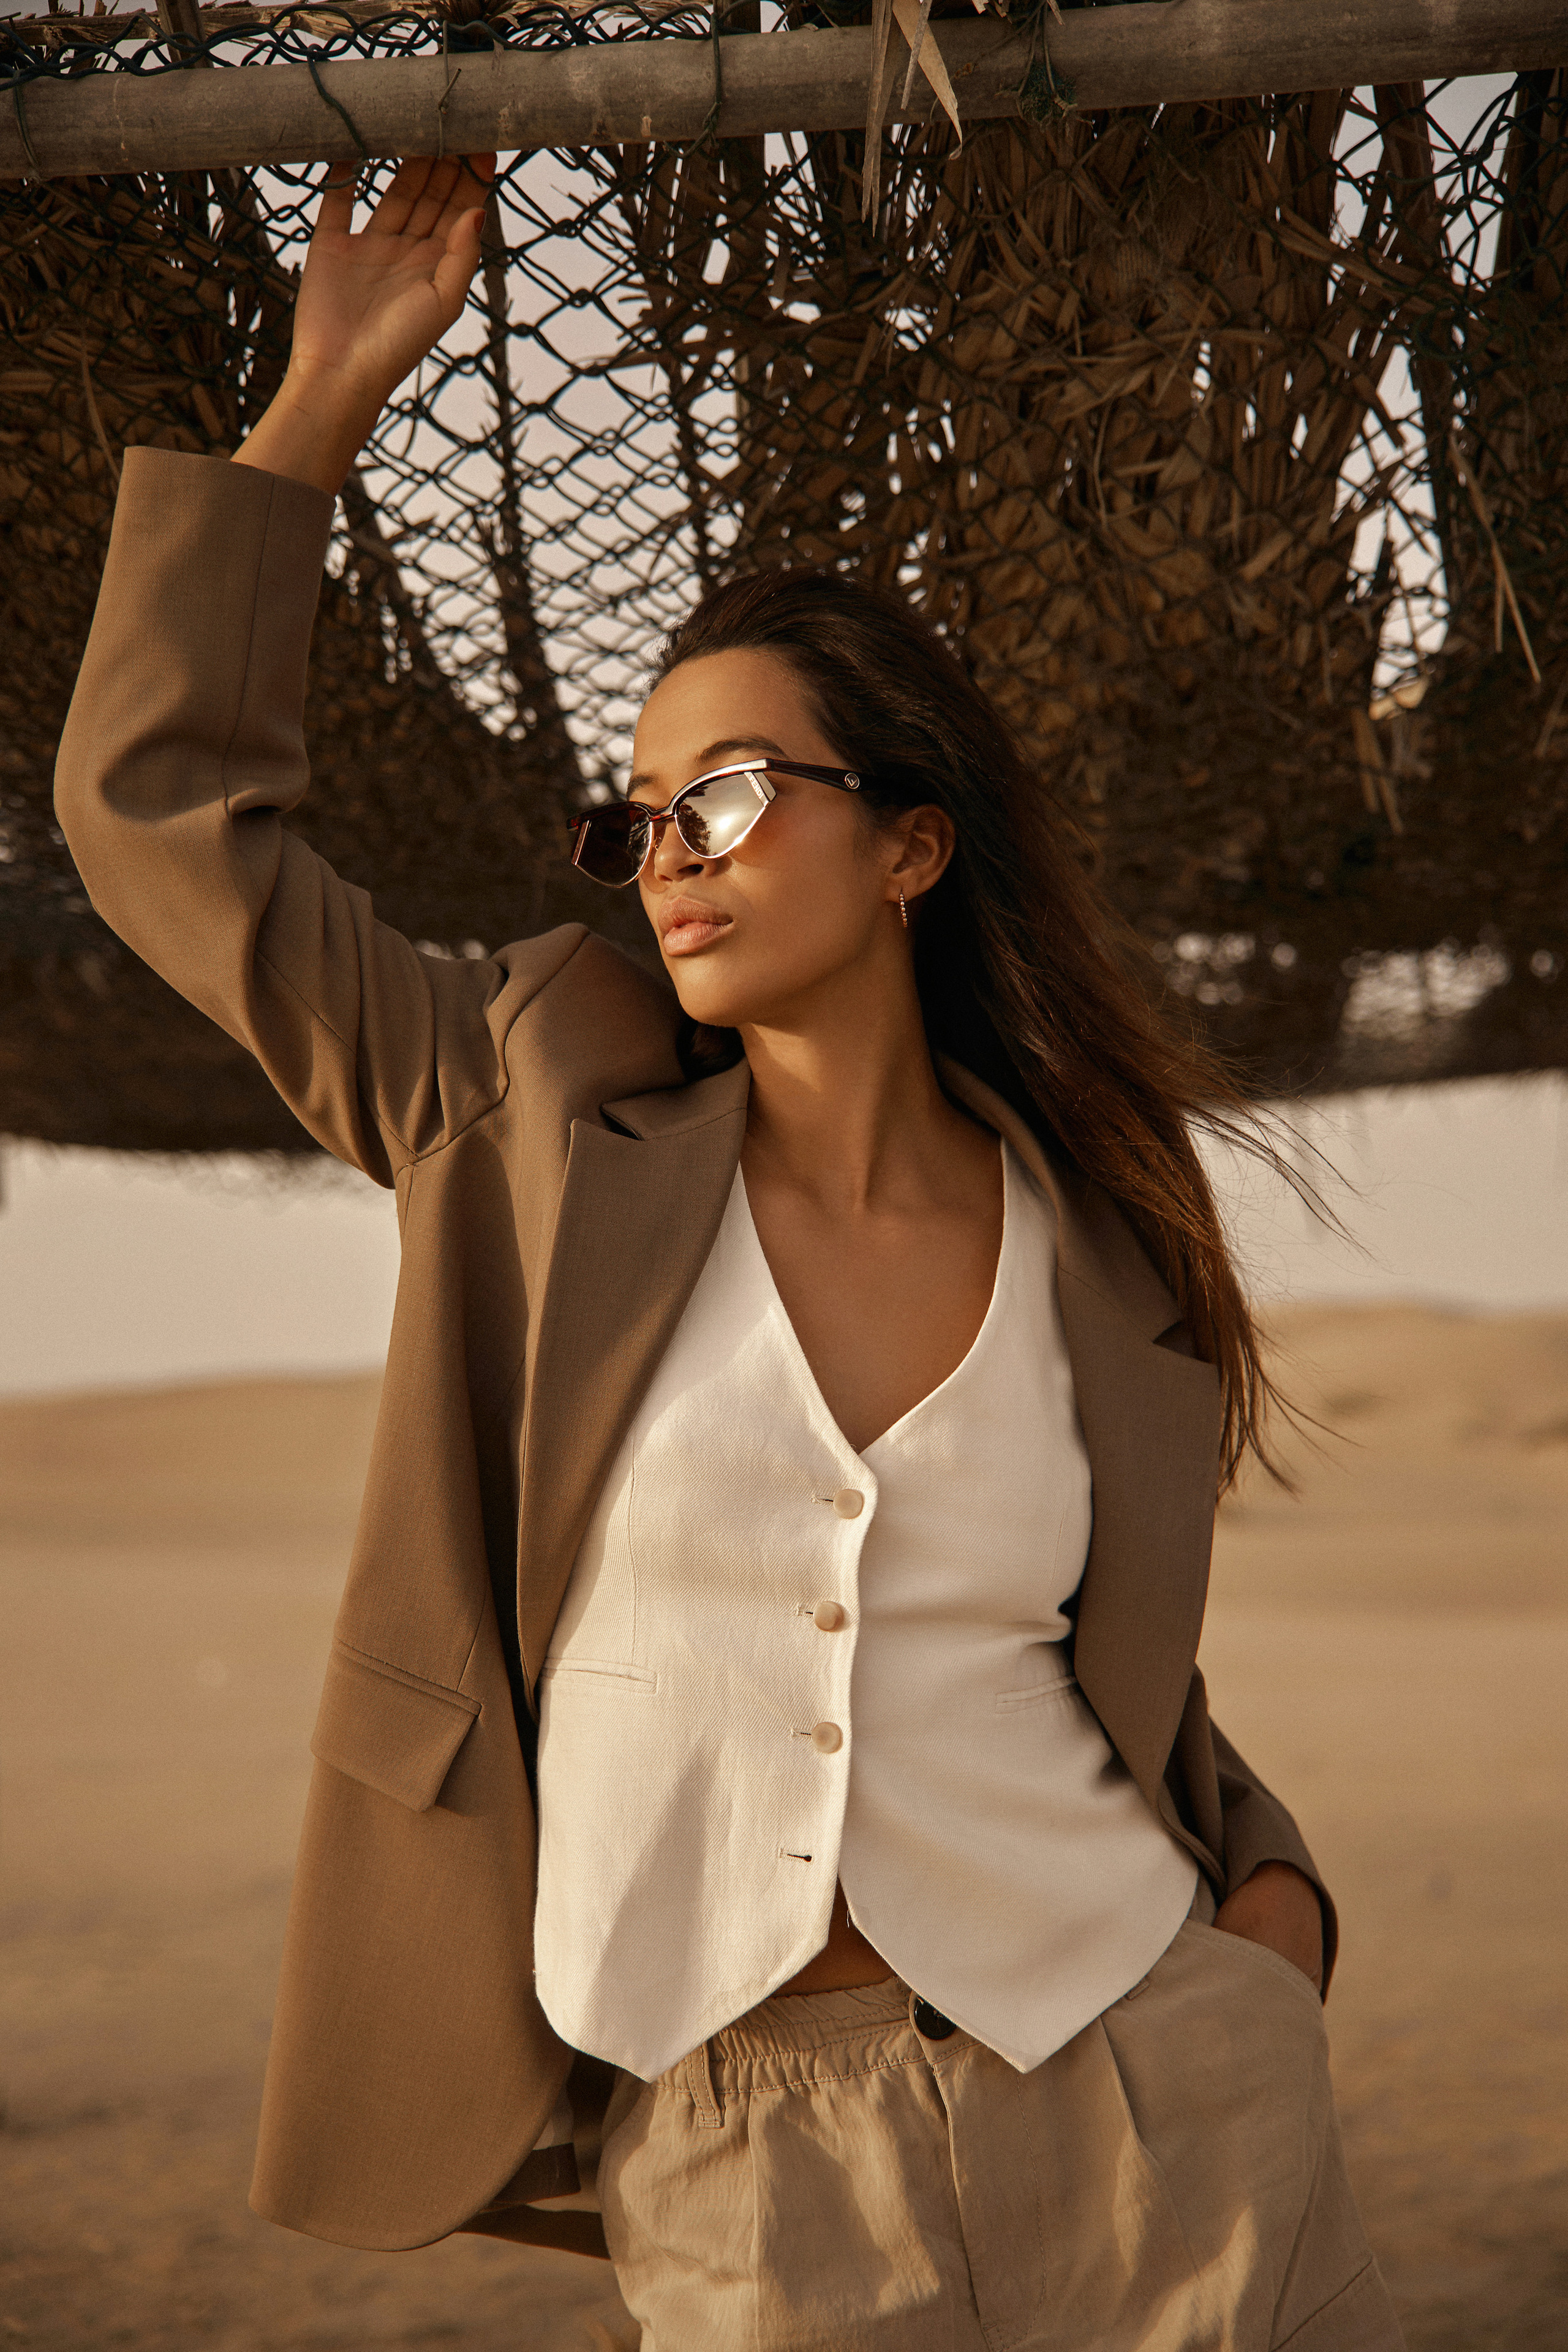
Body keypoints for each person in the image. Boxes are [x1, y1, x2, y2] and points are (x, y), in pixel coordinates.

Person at [55, 154, 1404, 2350]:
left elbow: (1081, 1654)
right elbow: (160, 831)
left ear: (907, 849)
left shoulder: (1098, 1234)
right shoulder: (524, 1123)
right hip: (738, 2143)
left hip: (1159, 2093)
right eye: (643, 812)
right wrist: (314, 409)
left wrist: (1268, 1941)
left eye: (737, 792)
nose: (669, 849)